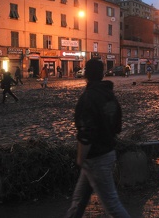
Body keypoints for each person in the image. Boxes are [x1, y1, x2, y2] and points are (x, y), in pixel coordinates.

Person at [65, 59, 130, 218]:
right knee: (78, 201)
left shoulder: (88, 98)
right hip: (106, 153)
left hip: (95, 158)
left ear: (86, 74)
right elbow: (117, 126)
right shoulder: (109, 95)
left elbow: (86, 134)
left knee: (112, 206)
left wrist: (80, 158)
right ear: (102, 74)